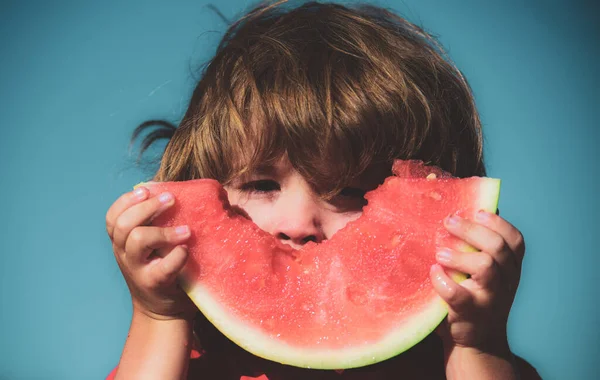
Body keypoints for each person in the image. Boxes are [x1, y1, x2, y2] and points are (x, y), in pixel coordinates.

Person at [106, 1, 541, 378]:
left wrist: (476, 347)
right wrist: (157, 316)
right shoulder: (193, 366)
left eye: (349, 192)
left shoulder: (456, 364)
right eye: (261, 184)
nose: (298, 225)